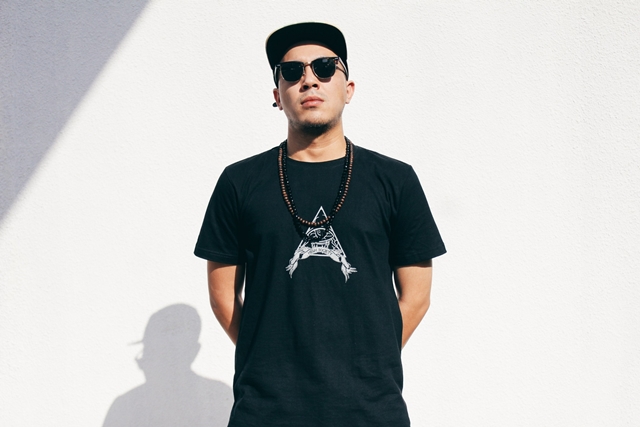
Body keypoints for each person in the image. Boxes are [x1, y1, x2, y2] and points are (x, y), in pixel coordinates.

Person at [195, 22, 446, 427]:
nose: (309, 80)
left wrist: (371, 362)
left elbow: (417, 297)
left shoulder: (395, 180)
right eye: (292, 72)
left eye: (325, 68)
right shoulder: (239, 182)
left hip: (370, 411)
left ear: (348, 89)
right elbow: (223, 297)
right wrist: (270, 361)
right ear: (277, 95)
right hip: (266, 412)